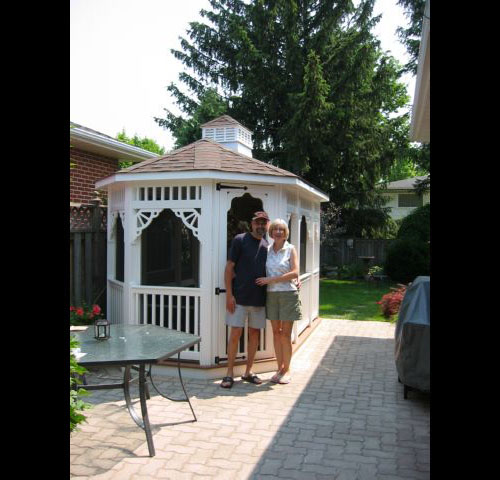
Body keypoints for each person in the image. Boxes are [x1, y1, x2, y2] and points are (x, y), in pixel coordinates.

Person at [220, 211, 270, 388]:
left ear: (267, 225)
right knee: (235, 334)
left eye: (264, 223)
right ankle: (229, 374)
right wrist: (229, 295)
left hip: (258, 299)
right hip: (239, 299)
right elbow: (229, 268)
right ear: (252, 224)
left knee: (254, 335)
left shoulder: (266, 245)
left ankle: (248, 372)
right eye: (258, 223)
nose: (260, 226)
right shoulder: (240, 240)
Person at [256, 218, 302, 384]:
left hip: (288, 294)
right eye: (275, 229)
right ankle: (279, 367)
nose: (278, 232)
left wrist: (271, 280)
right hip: (272, 295)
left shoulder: (290, 249)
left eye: (281, 230)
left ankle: (287, 369)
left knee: (285, 333)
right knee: (276, 332)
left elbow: (295, 272)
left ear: (285, 233)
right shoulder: (267, 250)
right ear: (271, 232)